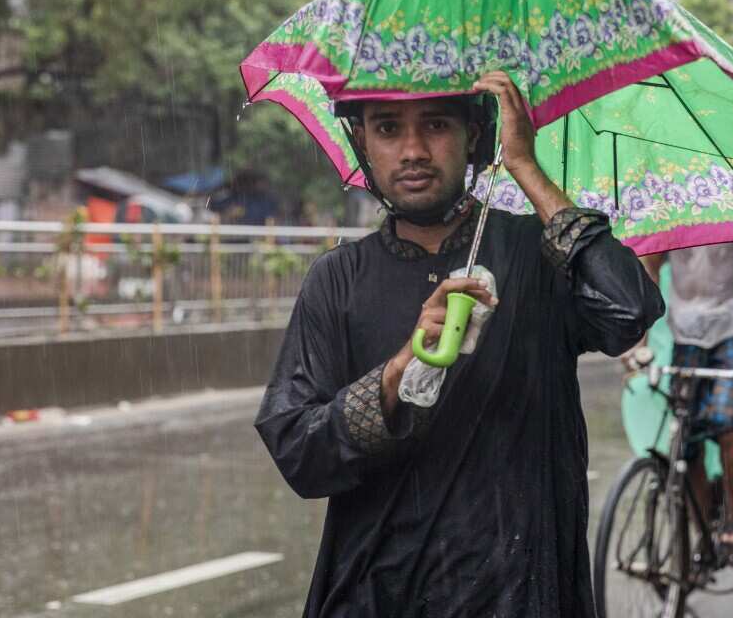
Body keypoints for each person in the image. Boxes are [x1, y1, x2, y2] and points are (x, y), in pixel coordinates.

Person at [255, 71, 664, 618]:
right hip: (375, 594)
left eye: (437, 124)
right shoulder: (337, 279)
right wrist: (403, 368)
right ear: (361, 141)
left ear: (475, 135)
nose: (414, 150)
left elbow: (629, 311)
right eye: (388, 128)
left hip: (518, 592)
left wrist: (525, 168)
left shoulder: (532, 253)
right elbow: (300, 455)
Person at [632, 240, 733, 553]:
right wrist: (640, 342)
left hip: (731, 332)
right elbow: (651, 270)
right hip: (685, 337)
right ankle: (702, 531)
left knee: (724, 421)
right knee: (687, 438)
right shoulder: (673, 209)